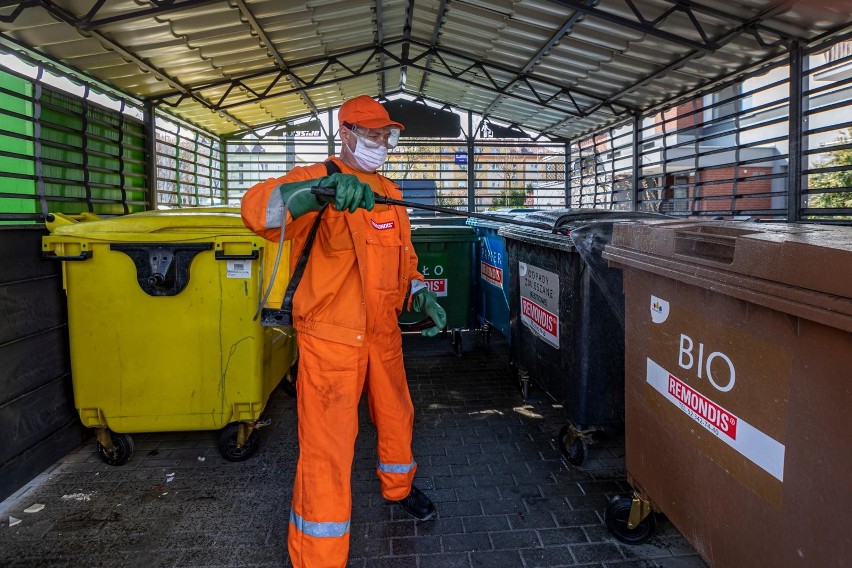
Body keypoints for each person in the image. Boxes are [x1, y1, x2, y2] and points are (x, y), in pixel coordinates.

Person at [240, 95, 446, 567]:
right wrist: (317, 193)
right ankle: (319, 554)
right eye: (371, 133)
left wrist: (420, 292)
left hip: (382, 333)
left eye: (385, 134)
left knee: (397, 417)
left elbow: (405, 260)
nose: (380, 142)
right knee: (327, 448)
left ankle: (398, 487)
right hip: (330, 337)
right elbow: (256, 212)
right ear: (345, 133)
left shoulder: (390, 193)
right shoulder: (315, 178)